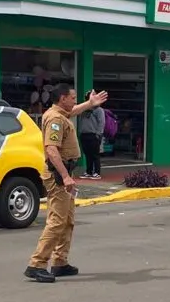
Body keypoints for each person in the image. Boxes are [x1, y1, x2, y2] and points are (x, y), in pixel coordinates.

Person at [24, 85, 108, 283]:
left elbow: (74, 110)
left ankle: (60, 262)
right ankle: (36, 264)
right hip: (58, 176)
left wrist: (90, 104)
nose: (74, 100)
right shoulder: (55, 119)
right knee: (56, 221)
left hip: (64, 173)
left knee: (67, 221)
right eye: (72, 97)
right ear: (62, 98)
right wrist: (65, 177)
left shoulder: (61, 114)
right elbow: (51, 149)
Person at [78, 91, 105, 179]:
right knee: (87, 154)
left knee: (95, 154)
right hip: (84, 134)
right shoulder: (83, 109)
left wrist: (98, 134)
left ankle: (97, 172)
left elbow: (101, 123)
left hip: (94, 135)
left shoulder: (99, 110)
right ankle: (89, 171)